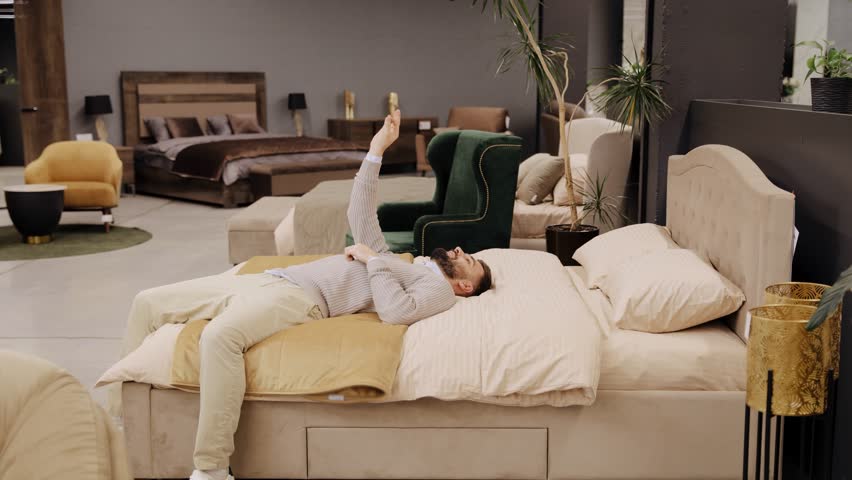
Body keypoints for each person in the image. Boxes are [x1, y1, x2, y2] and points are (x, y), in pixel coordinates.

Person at [121, 110, 493, 480]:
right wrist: (377, 148)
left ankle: (212, 467)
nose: (460, 251)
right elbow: (358, 211)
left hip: (301, 298)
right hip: (266, 278)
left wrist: (371, 259)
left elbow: (395, 312)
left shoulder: (436, 289)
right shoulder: (401, 262)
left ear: (464, 287)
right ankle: (119, 425)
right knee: (147, 302)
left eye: (470, 261)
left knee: (220, 337)